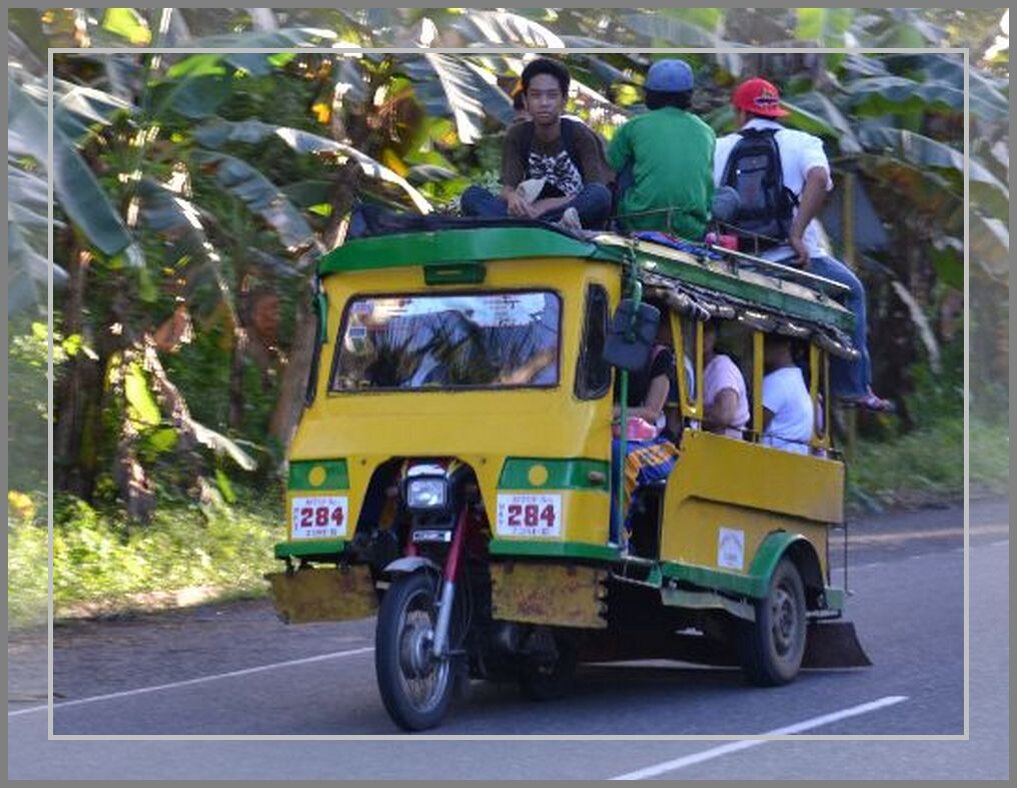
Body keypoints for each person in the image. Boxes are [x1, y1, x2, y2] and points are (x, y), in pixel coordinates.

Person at [714, 77, 893, 412]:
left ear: (739, 112)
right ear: (777, 113)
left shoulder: (720, 147)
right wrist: (796, 234)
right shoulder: (802, 141)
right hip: (794, 263)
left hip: (737, 267)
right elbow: (820, 179)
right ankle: (850, 387)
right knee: (851, 291)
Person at [460, 58, 613, 230]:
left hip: (570, 214)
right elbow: (508, 188)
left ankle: (534, 226)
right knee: (471, 195)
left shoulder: (578, 133)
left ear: (563, 101)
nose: (544, 103)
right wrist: (513, 198)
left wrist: (546, 205)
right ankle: (534, 226)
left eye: (552, 95)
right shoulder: (517, 135)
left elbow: (594, 189)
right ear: (525, 101)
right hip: (529, 212)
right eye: (536, 95)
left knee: (600, 196)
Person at [607, 59, 716, 239]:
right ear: (689, 95)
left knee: (622, 167)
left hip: (638, 221)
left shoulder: (633, 126)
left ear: (649, 94)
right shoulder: (707, 132)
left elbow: (608, 172)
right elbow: (708, 188)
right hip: (690, 229)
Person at [609, 310, 680, 545]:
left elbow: (651, 412)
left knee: (620, 456)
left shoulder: (660, 357)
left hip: (655, 442)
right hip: (608, 430)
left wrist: (614, 411)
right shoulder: (606, 350)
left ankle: (620, 536)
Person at [761, 335, 814, 455]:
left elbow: (756, 426)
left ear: (787, 344)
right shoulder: (794, 376)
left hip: (774, 457)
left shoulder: (777, 381)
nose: (764, 346)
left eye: (769, 341)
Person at [701, 320, 749, 439]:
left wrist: (690, 411)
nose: (702, 335)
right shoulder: (697, 365)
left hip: (724, 445)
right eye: (699, 328)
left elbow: (724, 414)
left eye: (708, 330)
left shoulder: (721, 367)